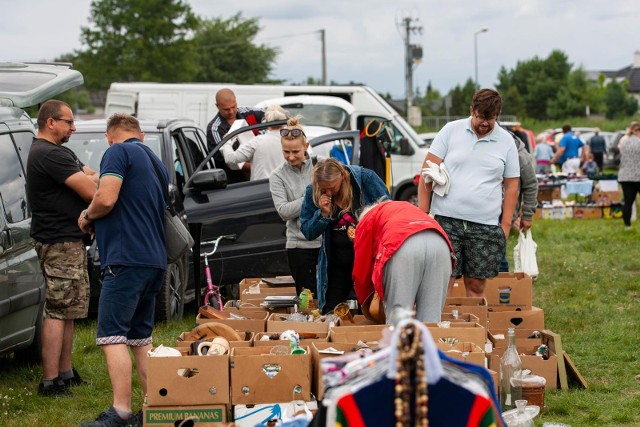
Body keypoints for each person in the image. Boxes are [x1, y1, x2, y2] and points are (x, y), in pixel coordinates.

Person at [79, 114, 168, 426]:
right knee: (141, 338)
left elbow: (105, 197)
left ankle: (120, 412)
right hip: (154, 259)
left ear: (109, 137)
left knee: (111, 335)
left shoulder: (117, 152)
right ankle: (153, 408)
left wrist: (87, 216)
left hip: (125, 258)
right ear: (141, 135)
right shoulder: (155, 161)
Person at [26, 100, 97, 397]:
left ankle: (65, 373)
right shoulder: (49, 154)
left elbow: (92, 174)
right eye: (68, 122)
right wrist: (89, 180)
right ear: (50, 122)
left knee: (69, 310)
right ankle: (50, 381)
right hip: (58, 242)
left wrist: (89, 178)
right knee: (57, 311)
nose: (73, 127)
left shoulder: (60, 152)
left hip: (68, 240)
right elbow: (93, 188)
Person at [418, 89, 520, 298]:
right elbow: (426, 172)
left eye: (490, 119)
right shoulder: (450, 131)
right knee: (443, 280)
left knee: (476, 285)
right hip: (446, 220)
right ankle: (438, 328)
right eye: (481, 117)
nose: (485, 123)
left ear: (497, 116)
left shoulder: (506, 141)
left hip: (484, 225)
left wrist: (505, 226)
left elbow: (511, 185)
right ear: (471, 110)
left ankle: (475, 329)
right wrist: (422, 215)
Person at [300, 158, 389, 313]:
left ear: (342, 175)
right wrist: (322, 214)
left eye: (332, 188)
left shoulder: (364, 179)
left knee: (371, 313)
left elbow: (387, 213)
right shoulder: (313, 191)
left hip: (368, 263)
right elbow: (308, 231)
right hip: (336, 265)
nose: (328, 193)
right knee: (330, 313)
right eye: (323, 189)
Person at [352, 200, 454, 323]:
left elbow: (361, 270)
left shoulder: (367, 219)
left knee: (399, 321)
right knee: (431, 321)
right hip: (440, 243)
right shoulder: (403, 207)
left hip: (402, 244)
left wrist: (366, 304)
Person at [269, 116, 322, 295]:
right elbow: (283, 211)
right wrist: (313, 197)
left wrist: (299, 204)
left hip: (326, 242)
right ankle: (306, 324)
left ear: (306, 147)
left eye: (296, 152)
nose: (291, 157)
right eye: (286, 152)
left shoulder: (321, 165)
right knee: (306, 298)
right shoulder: (277, 176)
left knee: (330, 295)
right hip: (298, 245)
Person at [206, 88, 264, 183]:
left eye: (234, 106)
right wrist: (257, 166)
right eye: (226, 109)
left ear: (236, 101)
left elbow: (272, 115)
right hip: (234, 185)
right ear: (217, 106)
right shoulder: (214, 129)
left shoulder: (248, 113)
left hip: (259, 178)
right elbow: (224, 159)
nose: (232, 111)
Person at [499, 134, 538, 272]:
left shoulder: (520, 155)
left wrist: (527, 215)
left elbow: (531, 184)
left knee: (498, 256)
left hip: (504, 213)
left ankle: (499, 290)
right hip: (480, 210)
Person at [220, 104, 288, 180]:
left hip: (260, 188)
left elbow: (230, 159)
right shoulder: (293, 141)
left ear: (265, 121)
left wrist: (227, 141)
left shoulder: (257, 141)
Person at [617, 122, 640, 230]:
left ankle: (627, 226)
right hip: (638, 175)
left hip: (625, 175)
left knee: (628, 202)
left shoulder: (623, 142)